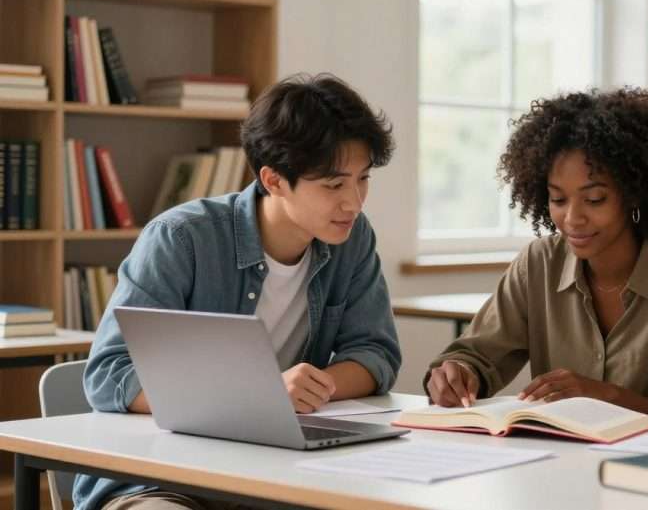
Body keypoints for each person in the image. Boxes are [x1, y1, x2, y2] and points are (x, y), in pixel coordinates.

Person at [74, 73, 402, 510]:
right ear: (273, 179)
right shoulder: (181, 239)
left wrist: (311, 389)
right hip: (162, 478)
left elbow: (374, 354)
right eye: (334, 185)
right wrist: (261, 396)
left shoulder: (352, 239)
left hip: (282, 473)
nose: (355, 202)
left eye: (363, 179)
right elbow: (110, 373)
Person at [425, 87, 648, 421]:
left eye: (595, 199)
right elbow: (478, 355)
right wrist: (458, 374)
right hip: (552, 461)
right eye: (558, 200)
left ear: (634, 195)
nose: (572, 218)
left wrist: (604, 395)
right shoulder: (538, 264)